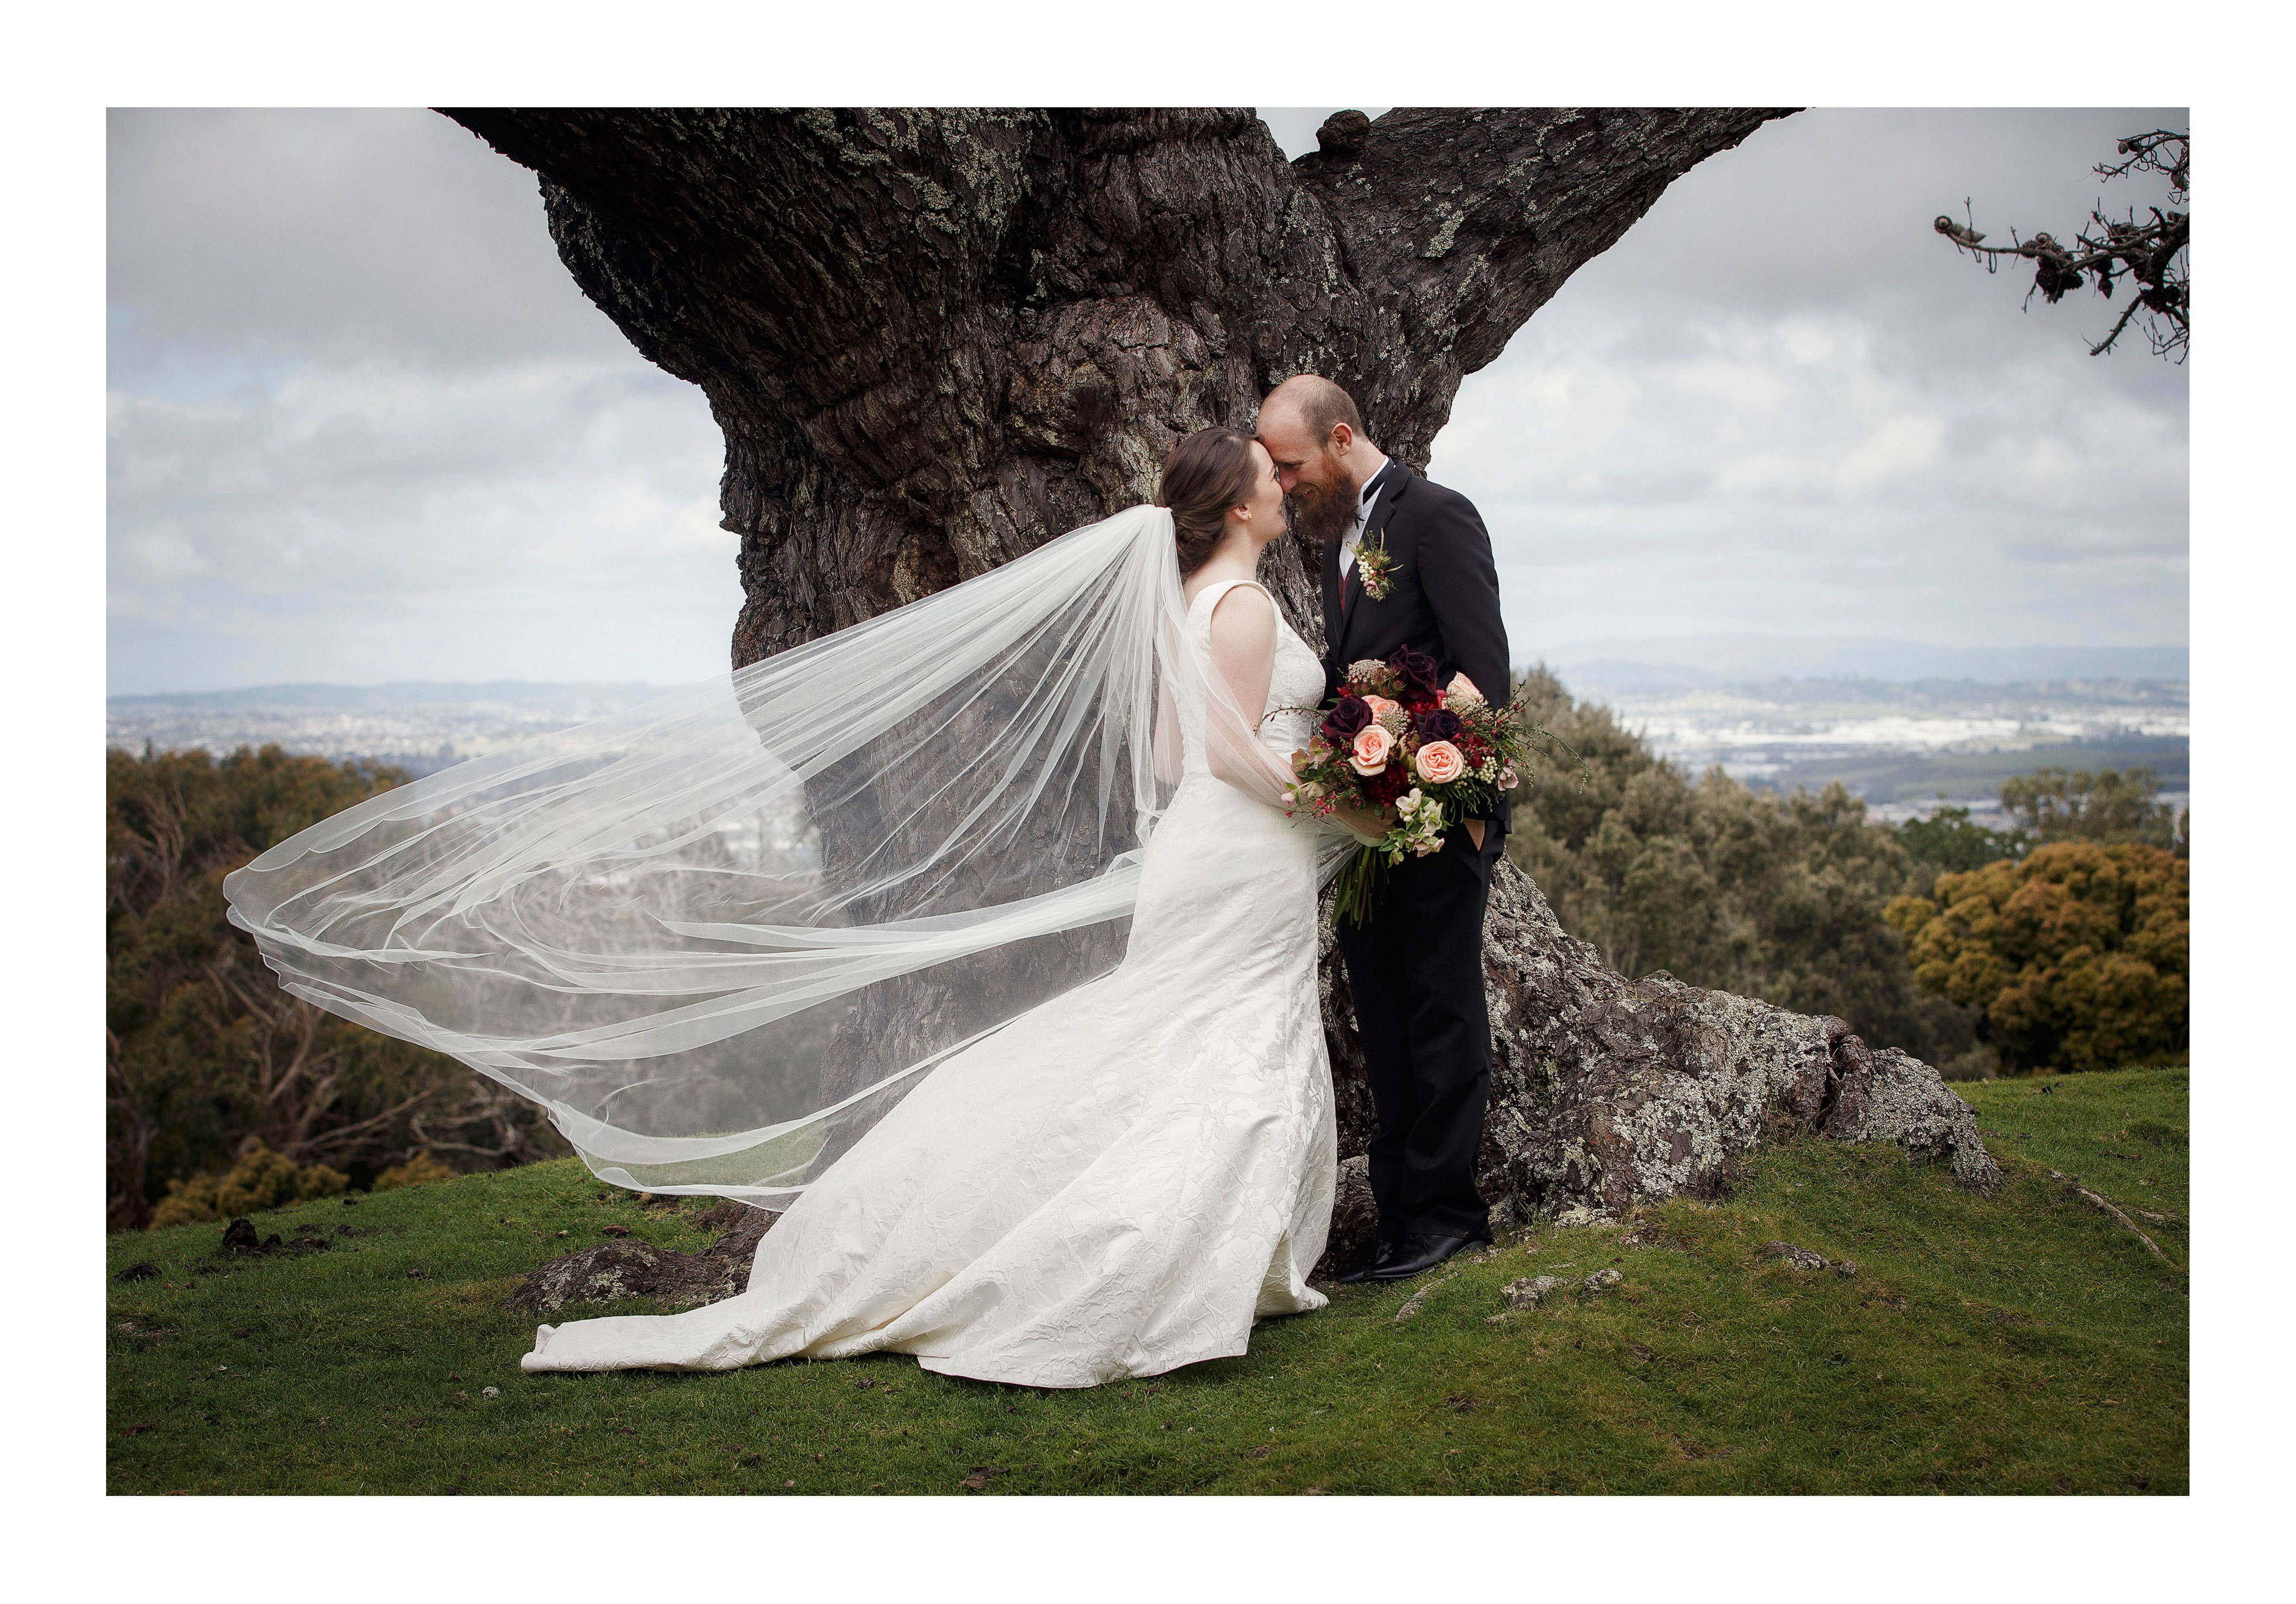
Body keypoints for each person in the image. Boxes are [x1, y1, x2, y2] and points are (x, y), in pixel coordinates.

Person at [227, 426, 1382, 1389]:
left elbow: (1174, 753)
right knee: (1196, 1044)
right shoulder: (1232, 610)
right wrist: (1343, 801)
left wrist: (1317, 793)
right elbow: (1223, 759)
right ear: (1232, 504)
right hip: (1238, 854)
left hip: (1218, 857)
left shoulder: (1191, 601)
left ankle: (1209, 1262)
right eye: (1264, 474)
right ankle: (1146, 1268)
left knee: (1177, 1043)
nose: (1283, 485)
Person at [1255, 375, 1512, 1284]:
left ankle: (1450, 1216)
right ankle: (1404, 1221)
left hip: (1441, 823)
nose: (1282, 485)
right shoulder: (1339, 547)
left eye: (1289, 467)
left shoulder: (1438, 517)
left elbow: (1484, 676)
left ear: (1342, 438)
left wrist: (1438, 791)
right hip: (1370, 829)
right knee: (1386, 1021)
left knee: (1443, 1016)